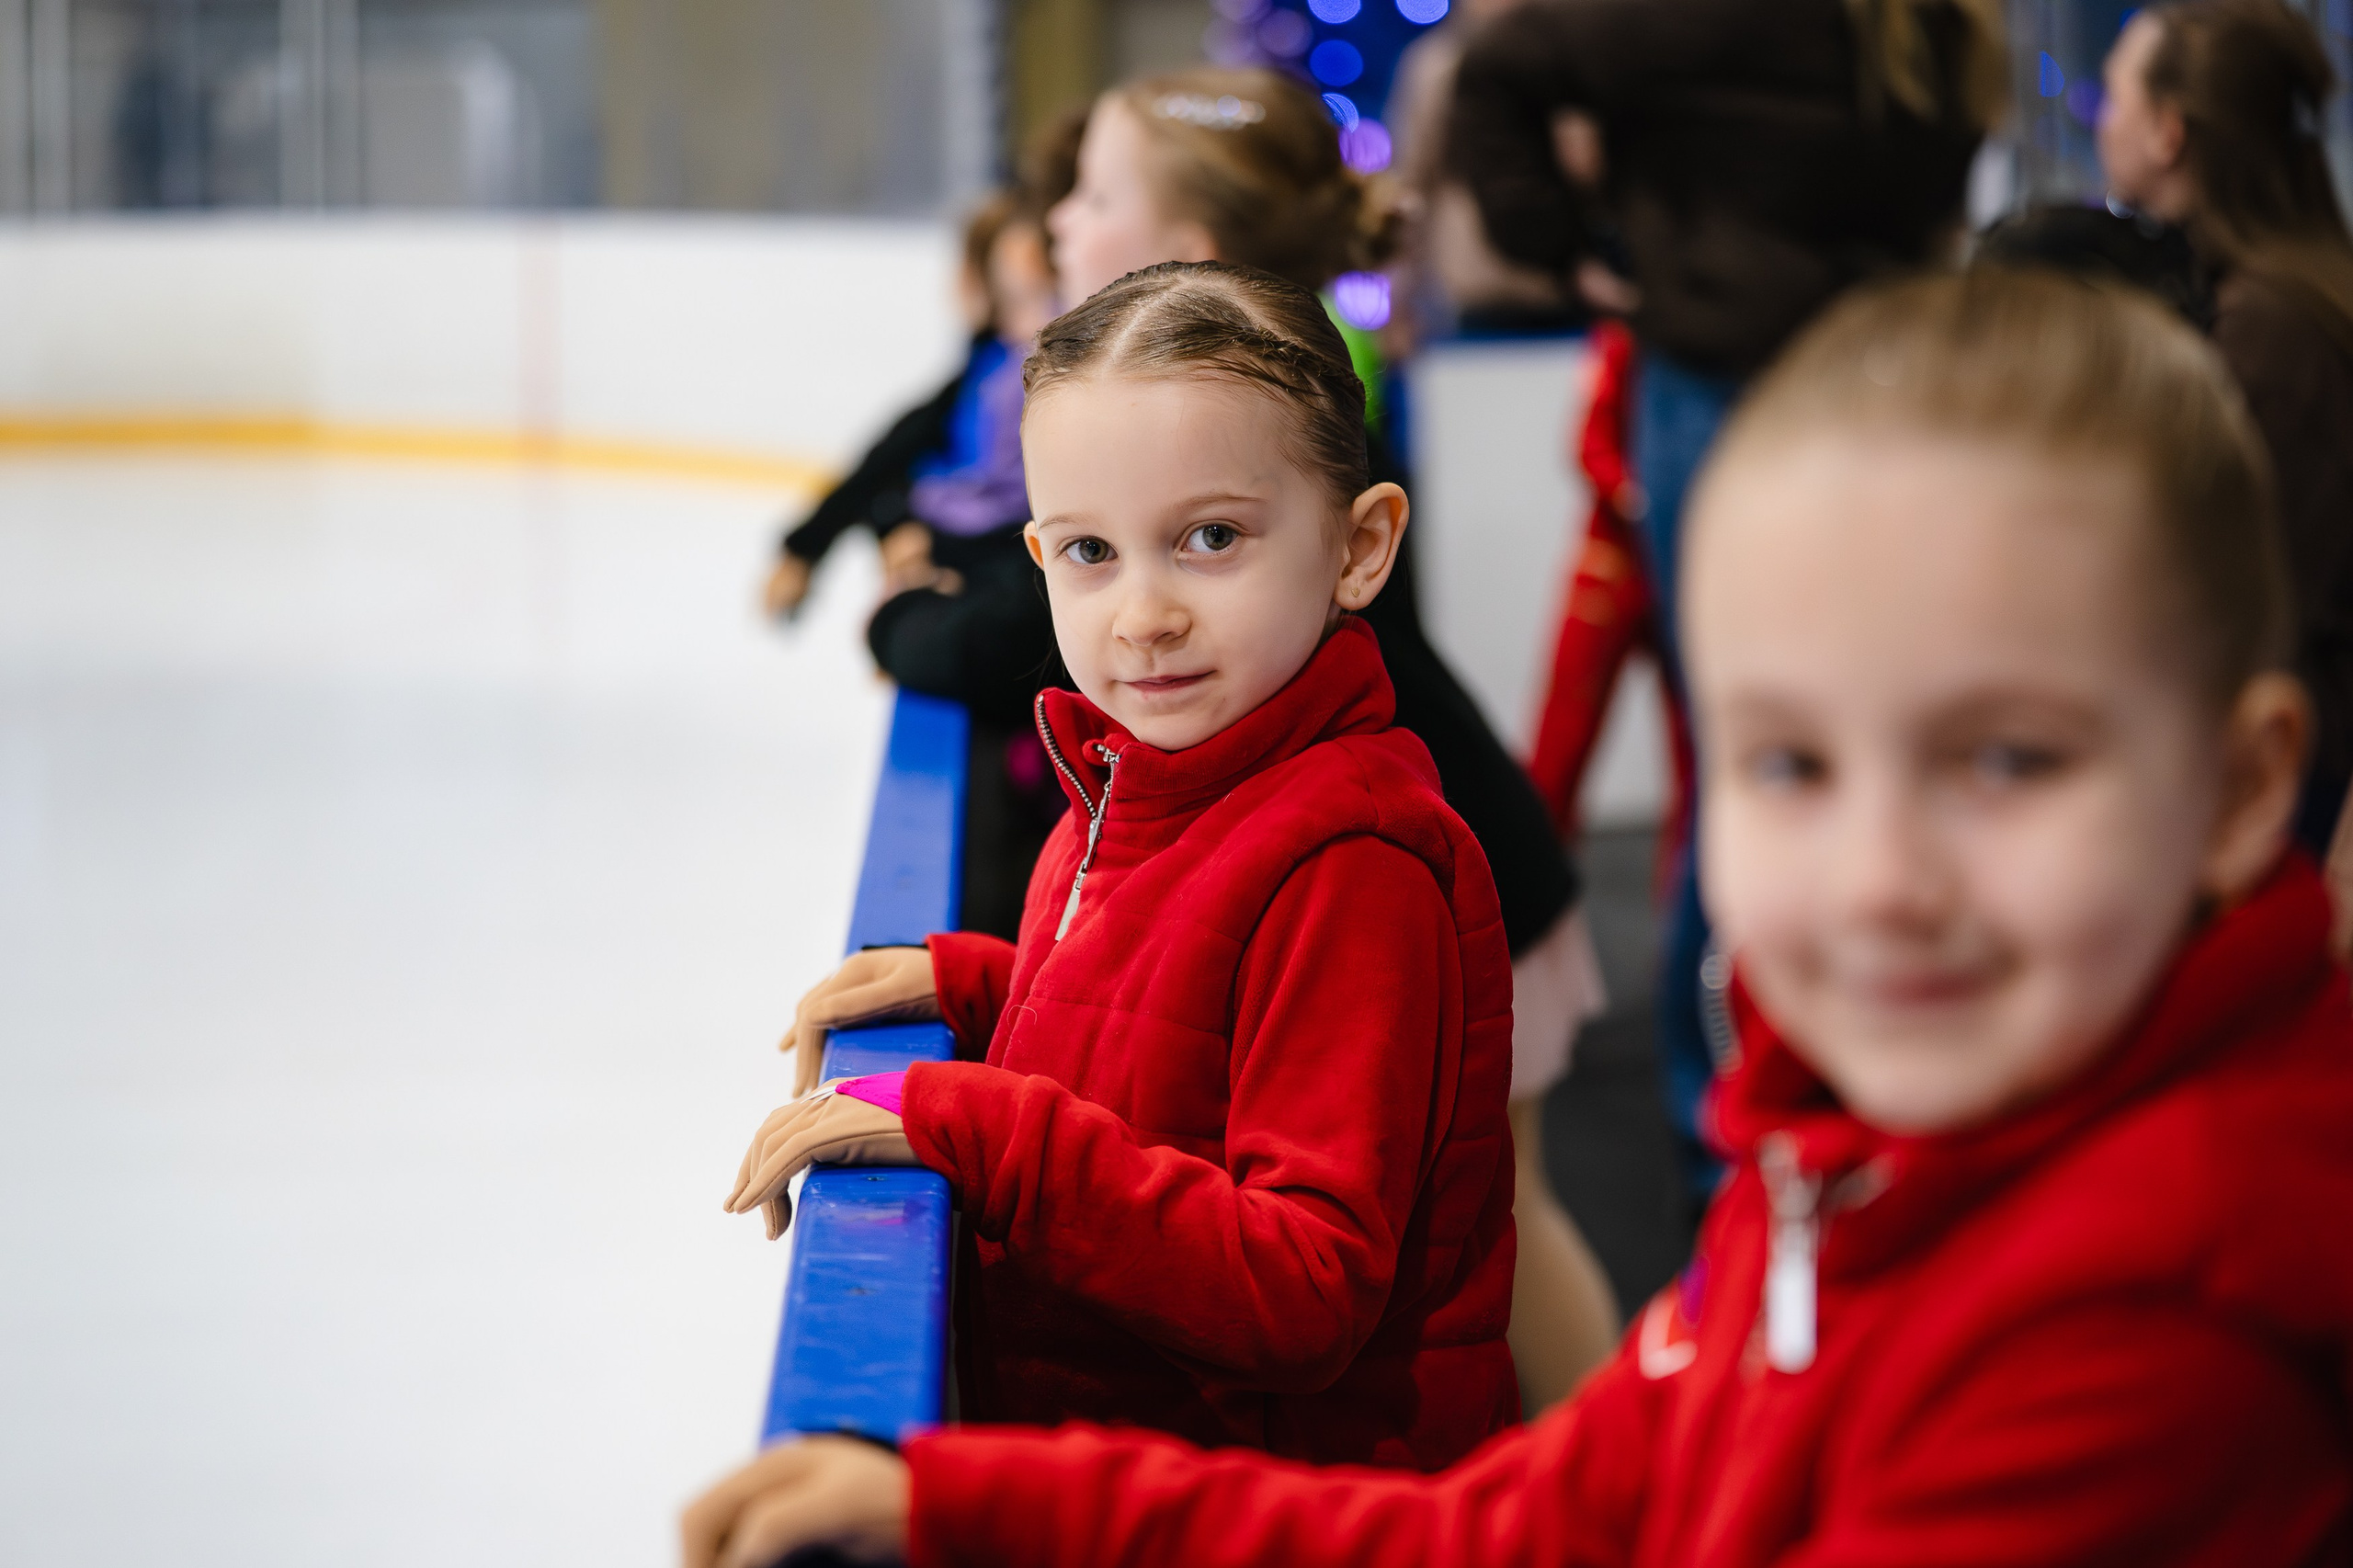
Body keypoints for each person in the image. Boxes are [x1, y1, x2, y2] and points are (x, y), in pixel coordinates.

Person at [683, 268, 2353, 1568]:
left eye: (2005, 759)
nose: (1877, 881)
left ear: (2238, 786)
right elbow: (1515, 1530)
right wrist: (977, 1505)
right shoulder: (1836, 1169)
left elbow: (1314, 1296)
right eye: (1785, 762)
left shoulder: (2136, 1352)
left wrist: (981, 1128)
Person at [730, 262, 1520, 1469]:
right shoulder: (1135, 774)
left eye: (1211, 539)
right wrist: (985, 987)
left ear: (1360, 548)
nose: (1142, 613)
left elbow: (1300, 1287)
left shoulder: (1353, 865)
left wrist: (979, 1127)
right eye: (1091, 552)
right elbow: (1177, 1035)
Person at [1040, 63, 1618, 1405]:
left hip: (1463, 865)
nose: (1063, 220)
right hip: (1443, 839)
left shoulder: (1253, 409)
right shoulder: (1215, 413)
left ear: (1186, 258)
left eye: (1098, 193)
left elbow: (1301, 1276)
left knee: (1505, 1252)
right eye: (1082, 553)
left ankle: (1630, 1499)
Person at [1447, 0, 2005, 1206]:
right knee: (1829, 747)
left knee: (1754, 754)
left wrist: (1571, 242)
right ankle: (1802, 1108)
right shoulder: (1934, 33)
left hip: (1734, 391)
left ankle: (1732, 1129)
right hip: (1870, 389)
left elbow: (1494, 73)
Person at [2098, 0, 2353, 860]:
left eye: (2114, 98)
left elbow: (2255, 603)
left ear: (2169, 132)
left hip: (2285, 795)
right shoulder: (2285, 296)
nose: (2102, 120)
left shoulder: (2266, 337)